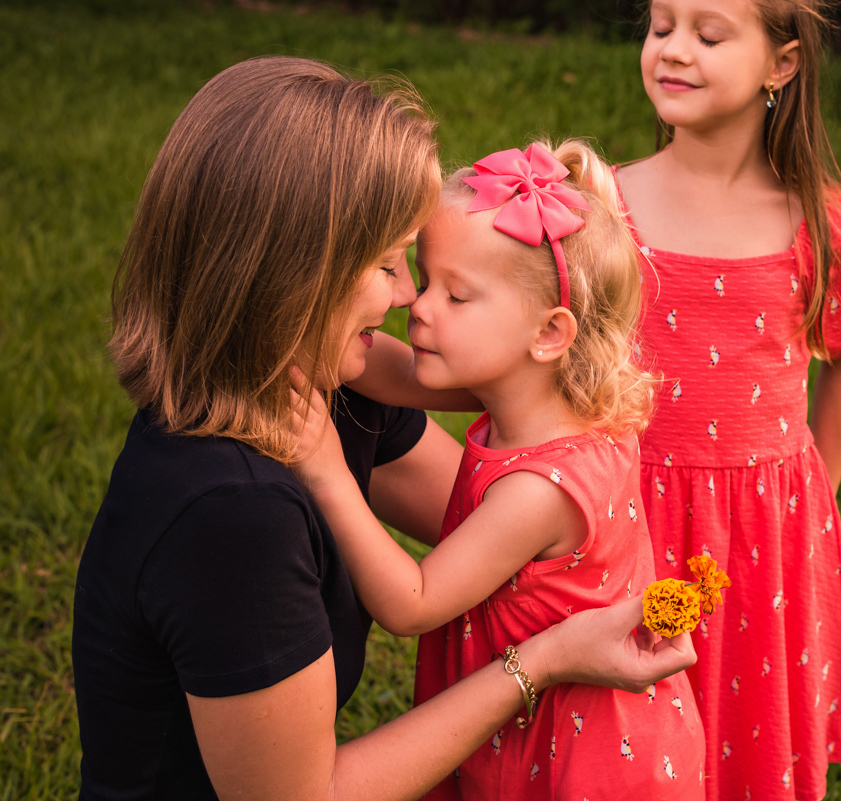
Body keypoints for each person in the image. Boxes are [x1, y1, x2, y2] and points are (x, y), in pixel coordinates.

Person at [71, 56, 696, 801]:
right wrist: (546, 658)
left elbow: (480, 525)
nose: (406, 298)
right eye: (390, 265)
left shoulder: (327, 382)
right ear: (299, 279)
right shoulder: (229, 511)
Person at [289, 140, 705, 800]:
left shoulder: (536, 492)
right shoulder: (544, 390)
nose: (417, 306)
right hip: (581, 721)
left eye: (456, 296)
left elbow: (412, 602)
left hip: (570, 751)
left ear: (548, 332)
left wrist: (327, 472)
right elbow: (389, 373)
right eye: (424, 280)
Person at [613, 1, 841, 799]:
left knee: (740, 736)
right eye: (661, 26)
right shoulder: (604, 208)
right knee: (624, 737)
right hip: (626, 515)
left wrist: (815, 500)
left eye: (707, 35)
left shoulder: (823, 226)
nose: (672, 50)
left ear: (783, 64)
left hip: (760, 541)